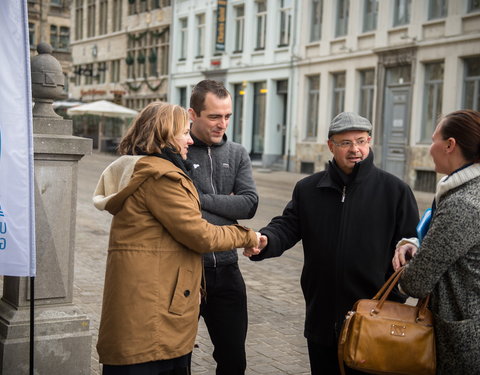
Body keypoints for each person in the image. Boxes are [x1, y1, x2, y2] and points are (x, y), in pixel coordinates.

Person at [244, 112, 419, 374]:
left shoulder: (395, 191)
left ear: (369, 141)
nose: (355, 149)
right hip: (322, 317)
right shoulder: (308, 189)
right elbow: (288, 225)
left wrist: (393, 301)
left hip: (375, 319)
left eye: (360, 140)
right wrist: (266, 241)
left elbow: (409, 251)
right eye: (345, 143)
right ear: (331, 146)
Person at [92, 102, 259, 375]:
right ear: (165, 134)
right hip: (153, 306)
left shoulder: (139, 168)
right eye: (184, 132)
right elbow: (201, 235)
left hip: (145, 297)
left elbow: (249, 203)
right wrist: (247, 235)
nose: (190, 139)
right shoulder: (162, 177)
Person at [392, 109, 480, 374]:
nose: (430, 148)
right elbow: (448, 247)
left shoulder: (462, 203)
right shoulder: (462, 191)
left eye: (433, 140)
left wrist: (404, 268)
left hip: (463, 339)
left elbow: (416, 282)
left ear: (450, 145)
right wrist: (417, 243)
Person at [186, 79, 258, 375]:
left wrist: (200, 199)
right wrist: (226, 203)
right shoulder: (178, 150)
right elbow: (176, 208)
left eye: (227, 116)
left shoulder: (238, 153)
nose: (222, 124)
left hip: (228, 270)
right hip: (186, 270)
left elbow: (249, 204)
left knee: (233, 360)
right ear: (193, 114)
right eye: (214, 116)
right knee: (178, 359)